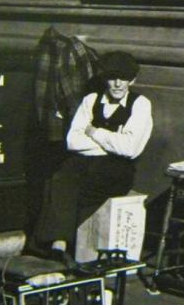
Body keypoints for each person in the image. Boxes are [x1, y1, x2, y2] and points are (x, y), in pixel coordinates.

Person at [35, 50, 152, 268]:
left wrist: (94, 132)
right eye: (111, 78)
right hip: (84, 161)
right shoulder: (91, 100)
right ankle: (57, 248)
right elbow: (73, 141)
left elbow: (130, 149)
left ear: (132, 80)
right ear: (104, 79)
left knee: (85, 189)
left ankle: (77, 251)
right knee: (60, 178)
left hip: (116, 168)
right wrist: (111, 143)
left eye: (123, 78)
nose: (117, 84)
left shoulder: (140, 104)